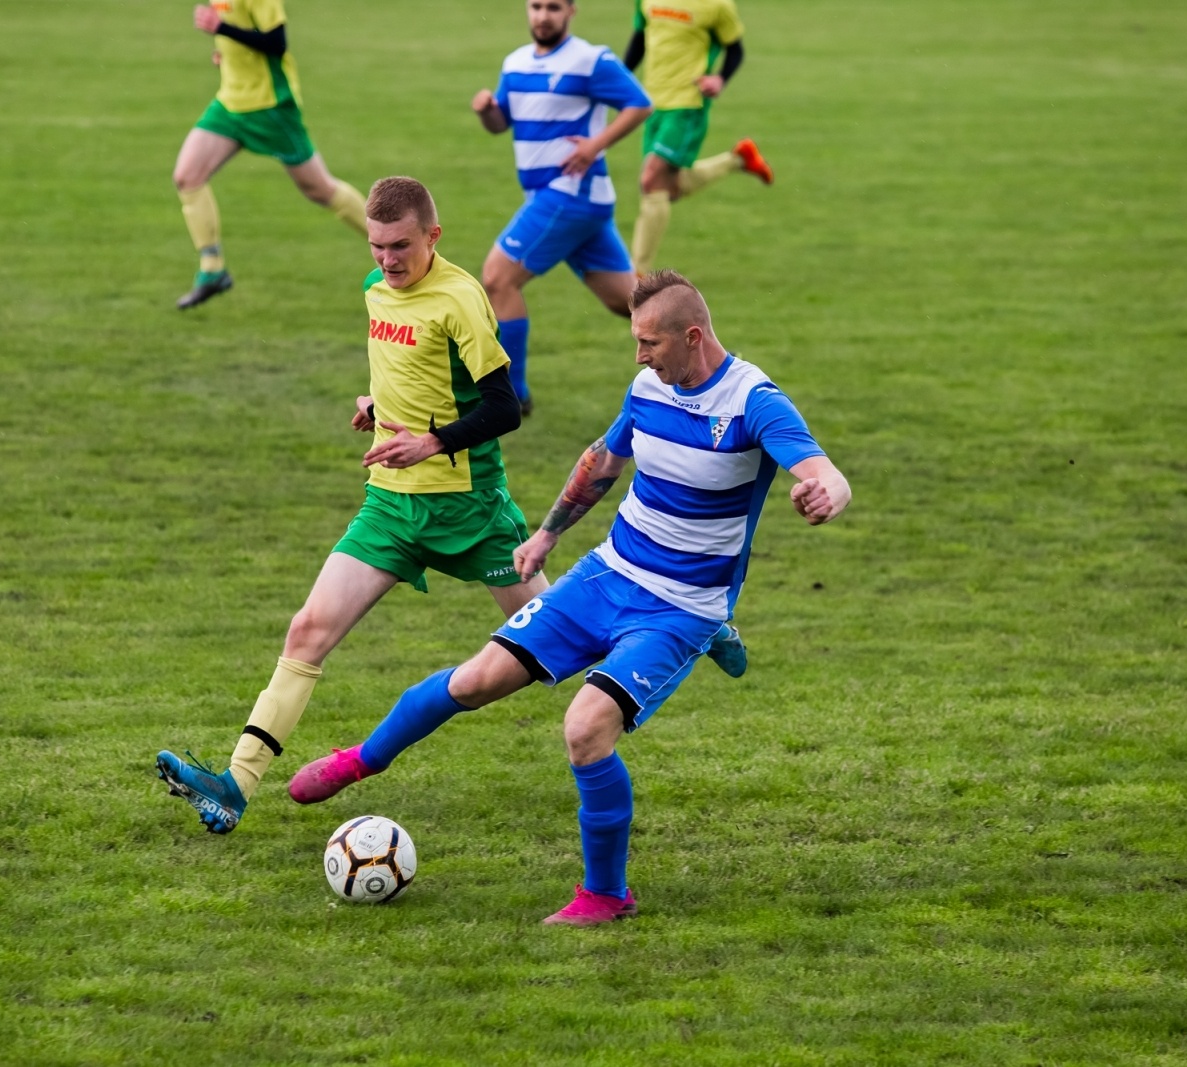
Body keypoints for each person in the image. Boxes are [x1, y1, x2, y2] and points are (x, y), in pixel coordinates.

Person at [288, 270, 852, 925]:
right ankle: (362, 760)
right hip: (606, 574)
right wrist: (546, 536)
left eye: (649, 343)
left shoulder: (754, 402)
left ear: (693, 337)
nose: (638, 355)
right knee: (476, 680)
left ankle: (607, 894)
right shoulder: (648, 389)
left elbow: (826, 472)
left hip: (680, 606)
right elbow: (601, 462)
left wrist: (824, 495)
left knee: (586, 728)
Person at [156, 177, 549, 833]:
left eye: (401, 246)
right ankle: (233, 785)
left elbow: (505, 407)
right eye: (376, 246)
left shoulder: (460, 299)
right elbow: (407, 373)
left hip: (470, 511)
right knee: (307, 629)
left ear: (433, 236)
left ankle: (682, 622)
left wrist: (432, 442)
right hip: (391, 507)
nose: (388, 260)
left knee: (556, 643)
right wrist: (376, 405)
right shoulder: (374, 290)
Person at [470, 0, 653, 414]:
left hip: (569, 194)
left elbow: (640, 103)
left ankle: (512, 396)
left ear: (571, 10)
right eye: (536, 6)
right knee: (630, 303)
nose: (543, 15)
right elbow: (501, 124)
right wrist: (487, 111)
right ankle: (712, 361)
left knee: (498, 278)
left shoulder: (590, 60)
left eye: (553, 7)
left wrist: (594, 146)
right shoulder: (515, 63)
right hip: (564, 202)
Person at [171, 0, 369, 310]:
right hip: (230, 103)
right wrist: (227, 55)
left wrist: (220, 28)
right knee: (187, 177)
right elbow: (241, 35)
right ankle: (213, 270)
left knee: (320, 188)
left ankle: (397, 245)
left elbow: (276, 42)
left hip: (271, 106)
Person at [623, 0, 774, 276]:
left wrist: (720, 79)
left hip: (688, 104)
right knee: (666, 189)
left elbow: (735, 49)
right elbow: (640, 39)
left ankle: (638, 276)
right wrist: (618, 81)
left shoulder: (717, 5)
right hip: (652, 102)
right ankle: (738, 159)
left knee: (651, 179)